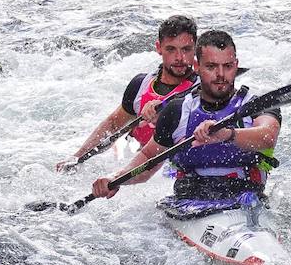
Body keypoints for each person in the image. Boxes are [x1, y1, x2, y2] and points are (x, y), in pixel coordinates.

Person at [91, 29, 280, 217]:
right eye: (211, 67)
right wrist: (115, 179)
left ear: (236, 65)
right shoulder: (177, 111)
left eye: (228, 66)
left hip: (246, 199)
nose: (221, 74)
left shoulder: (257, 105)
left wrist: (227, 134)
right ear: (197, 67)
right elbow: (148, 158)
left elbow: (267, 136)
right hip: (188, 203)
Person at [61, 16, 199, 170]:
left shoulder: (204, 91)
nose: (179, 58)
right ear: (159, 48)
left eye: (186, 49)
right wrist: (77, 157)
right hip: (136, 162)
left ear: (195, 49)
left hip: (175, 170)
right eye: (171, 49)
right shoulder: (140, 85)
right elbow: (113, 126)